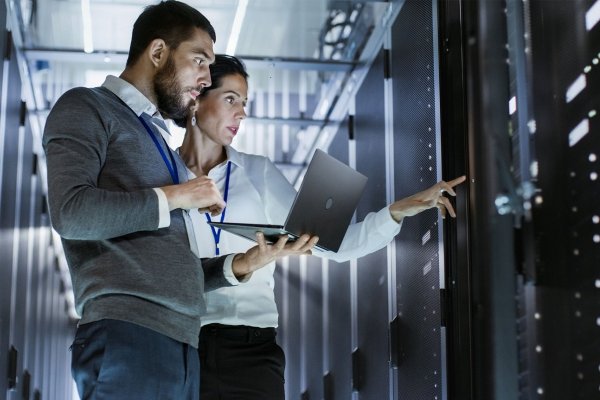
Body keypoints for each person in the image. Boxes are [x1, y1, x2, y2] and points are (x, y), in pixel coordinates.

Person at [42, 3, 317, 400]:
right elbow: (72, 212)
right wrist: (178, 195)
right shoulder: (87, 107)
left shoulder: (161, 147)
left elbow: (174, 265)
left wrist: (243, 265)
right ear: (158, 53)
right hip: (129, 334)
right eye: (199, 61)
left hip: (182, 345)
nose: (205, 77)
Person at [177, 54, 466, 399]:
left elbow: (335, 245)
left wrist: (396, 212)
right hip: (179, 344)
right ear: (197, 99)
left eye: (244, 102)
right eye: (230, 99)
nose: (242, 113)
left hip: (250, 350)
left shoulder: (259, 173)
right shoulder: (162, 177)